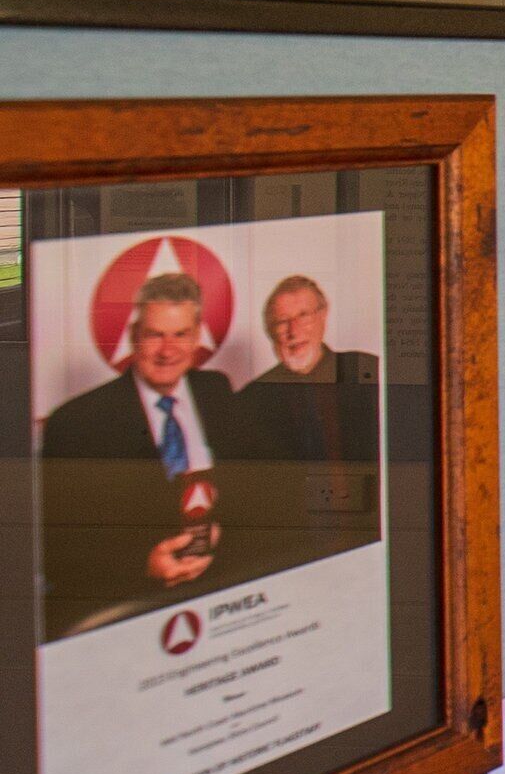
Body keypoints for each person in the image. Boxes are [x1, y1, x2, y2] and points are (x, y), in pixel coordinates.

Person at [37, 271, 247, 636]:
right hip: (127, 612)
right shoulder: (76, 423)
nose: (168, 351)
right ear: (134, 337)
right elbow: (58, 551)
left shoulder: (216, 391)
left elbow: (258, 493)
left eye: (180, 334)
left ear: (197, 337)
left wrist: (224, 532)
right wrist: (143, 565)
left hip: (220, 600)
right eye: (155, 335)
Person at [232, 273, 386, 565]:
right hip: (291, 551)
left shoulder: (368, 370)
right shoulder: (250, 400)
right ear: (270, 331)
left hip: (372, 535)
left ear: (322, 316)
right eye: (281, 322)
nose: (293, 331)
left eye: (302, 315)